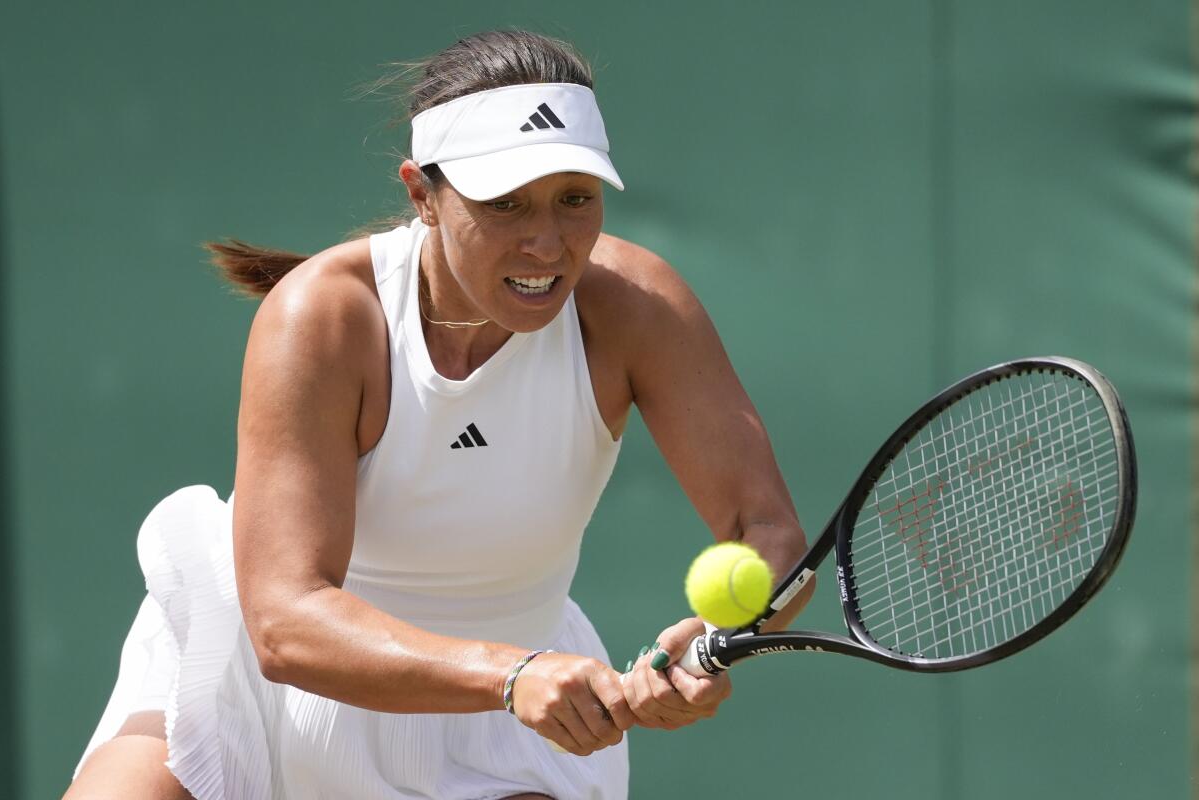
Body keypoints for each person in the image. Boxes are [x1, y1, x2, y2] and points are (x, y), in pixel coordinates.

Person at [64, 29, 813, 800]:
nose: (547, 243)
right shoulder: (322, 317)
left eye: (574, 199)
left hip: (503, 716)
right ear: (422, 194)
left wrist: (717, 643)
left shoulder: (637, 308)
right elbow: (285, 624)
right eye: (505, 203)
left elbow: (768, 531)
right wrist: (511, 674)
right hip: (257, 675)